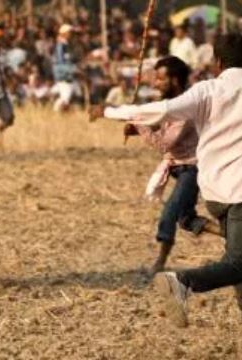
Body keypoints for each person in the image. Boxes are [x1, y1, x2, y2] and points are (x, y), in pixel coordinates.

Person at [92, 34, 242, 327]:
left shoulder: (208, 90)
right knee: (239, 263)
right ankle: (182, 282)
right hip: (239, 193)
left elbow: (160, 110)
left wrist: (109, 111)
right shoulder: (209, 89)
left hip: (215, 192)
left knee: (237, 262)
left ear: (218, 64)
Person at [116, 57, 220, 275]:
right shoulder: (169, 104)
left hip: (192, 167)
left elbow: (164, 142)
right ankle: (233, 235)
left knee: (169, 212)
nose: (155, 84)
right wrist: (134, 127)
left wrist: (138, 124)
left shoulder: (187, 105)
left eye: (161, 79)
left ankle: (160, 262)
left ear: (174, 80)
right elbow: (156, 126)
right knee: (186, 219)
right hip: (177, 166)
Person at [51, 24, 81, 112]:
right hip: (64, 76)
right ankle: (56, 112)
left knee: (76, 94)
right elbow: (61, 63)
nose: (72, 35)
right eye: (70, 33)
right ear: (64, 34)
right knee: (65, 99)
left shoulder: (66, 46)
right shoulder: (61, 46)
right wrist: (74, 70)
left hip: (68, 76)